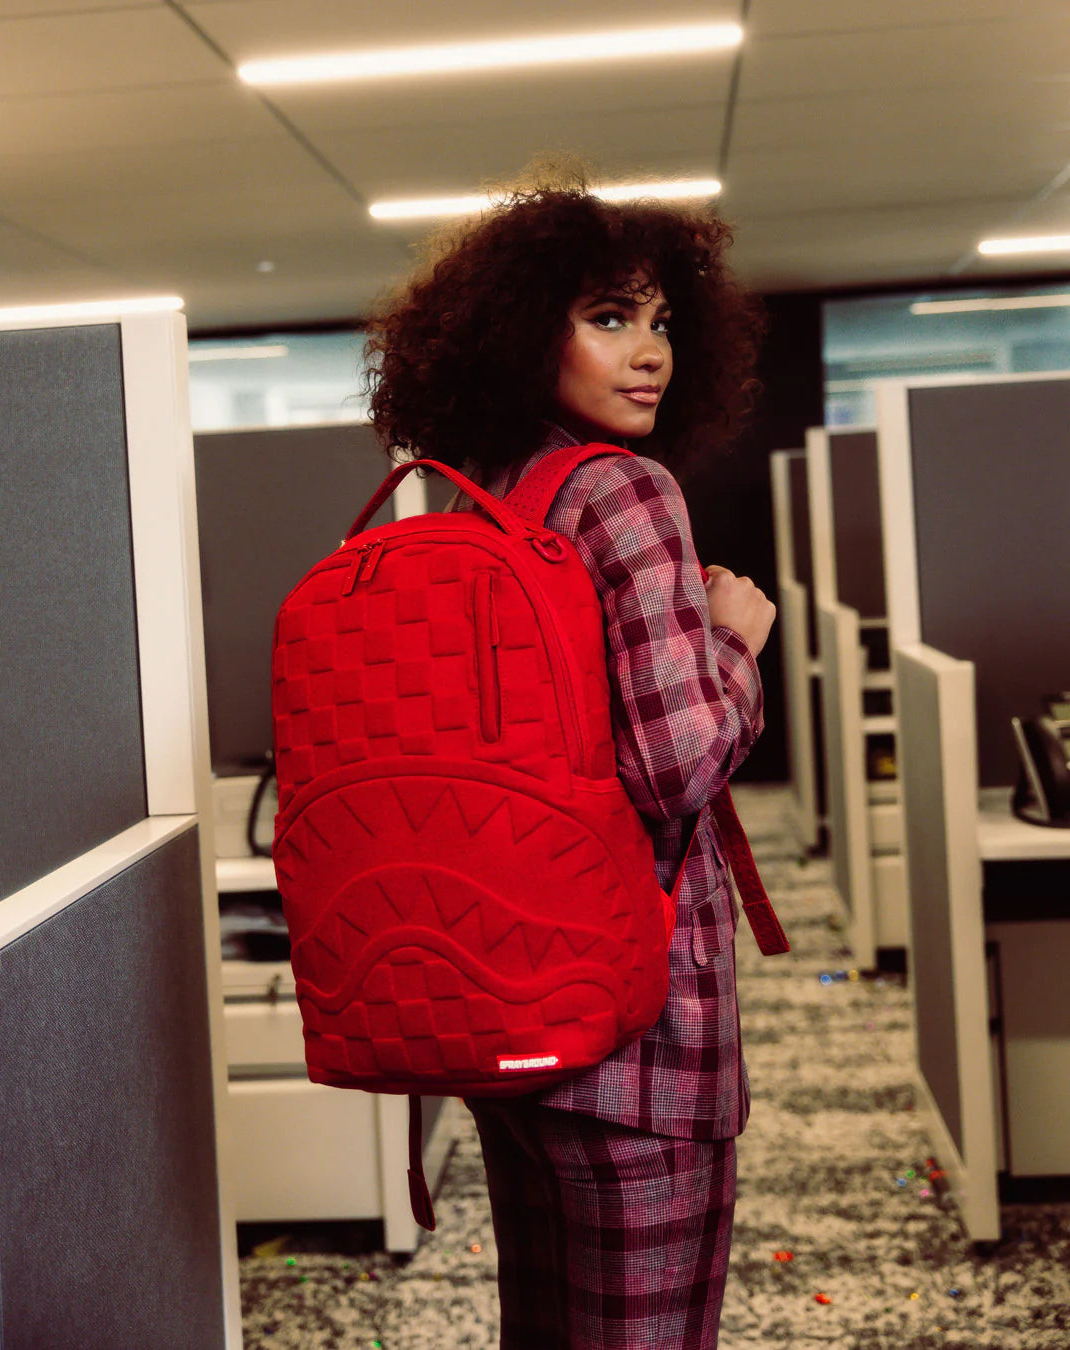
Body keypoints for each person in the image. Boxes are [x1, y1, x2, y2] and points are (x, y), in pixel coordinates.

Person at [364, 162, 775, 1350]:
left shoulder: (480, 501)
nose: (648, 352)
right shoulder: (623, 494)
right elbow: (678, 768)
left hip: (506, 1004)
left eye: (658, 322)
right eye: (607, 319)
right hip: (637, 1028)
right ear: (519, 334)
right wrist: (736, 644)